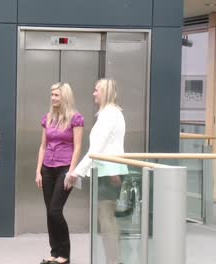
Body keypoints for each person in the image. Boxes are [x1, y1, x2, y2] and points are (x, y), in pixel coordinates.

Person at [69, 78, 129, 264]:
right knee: (107, 218)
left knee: (106, 219)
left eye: (96, 90)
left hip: (108, 172)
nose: (94, 93)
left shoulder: (109, 114)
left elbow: (96, 149)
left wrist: (76, 172)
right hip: (108, 170)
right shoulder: (111, 113)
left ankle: (114, 260)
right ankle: (114, 259)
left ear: (105, 92)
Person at [36, 83, 84, 264]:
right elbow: (43, 146)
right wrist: (37, 171)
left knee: (56, 210)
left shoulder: (76, 118)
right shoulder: (47, 118)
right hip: (47, 168)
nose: (53, 98)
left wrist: (72, 172)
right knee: (49, 211)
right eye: (52, 95)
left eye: (56, 95)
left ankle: (65, 254)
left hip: (65, 168)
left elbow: (78, 147)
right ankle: (54, 252)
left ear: (65, 97)